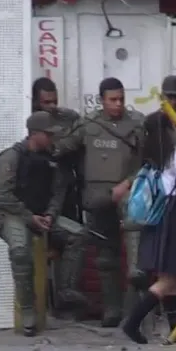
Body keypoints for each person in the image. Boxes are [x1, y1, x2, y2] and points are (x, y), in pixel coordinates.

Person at [53, 78, 146, 328]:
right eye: (112, 100)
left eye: (121, 99)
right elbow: (61, 149)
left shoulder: (137, 123)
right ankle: (112, 309)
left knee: (136, 261)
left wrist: (127, 183)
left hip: (128, 194)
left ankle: (133, 311)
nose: (118, 105)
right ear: (102, 99)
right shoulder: (87, 124)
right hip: (97, 196)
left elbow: (149, 160)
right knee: (106, 257)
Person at [0, 111, 85, 337]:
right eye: (48, 134)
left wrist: (50, 215)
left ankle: (65, 290)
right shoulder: (11, 158)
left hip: (42, 215)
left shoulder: (51, 160)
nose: (52, 138)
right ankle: (28, 309)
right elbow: (2, 197)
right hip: (13, 216)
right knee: (21, 251)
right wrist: (28, 216)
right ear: (34, 134)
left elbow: (57, 192)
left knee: (78, 236)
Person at [122, 99, 176, 344]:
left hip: (158, 215)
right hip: (175, 213)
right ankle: (133, 323)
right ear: (169, 130)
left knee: (174, 276)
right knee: (169, 279)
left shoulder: (152, 158)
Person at [31, 77, 85, 315]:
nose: (51, 106)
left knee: (68, 243)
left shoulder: (68, 118)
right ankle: (45, 301)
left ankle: (64, 298)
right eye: (46, 102)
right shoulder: (32, 122)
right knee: (45, 249)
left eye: (54, 101)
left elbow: (76, 140)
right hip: (39, 195)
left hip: (65, 191)